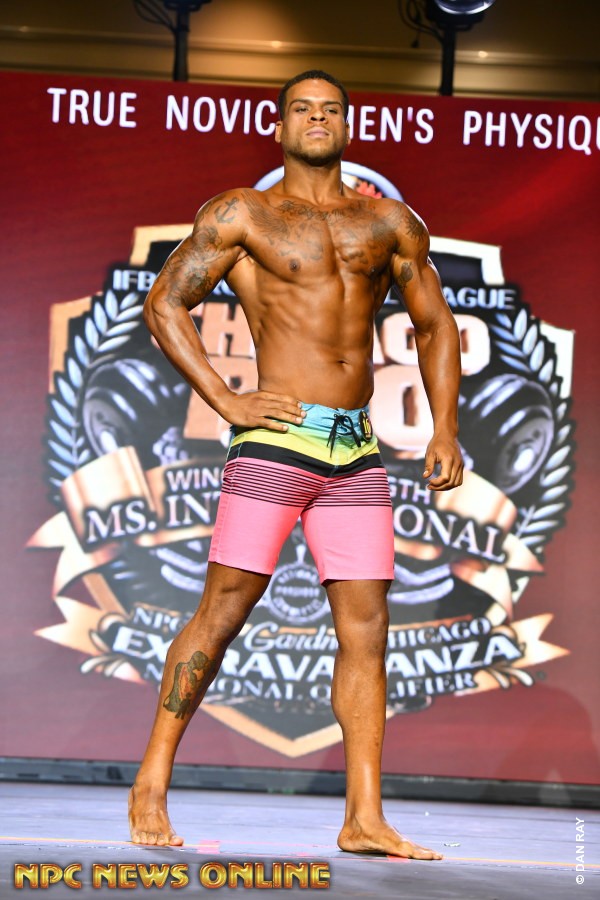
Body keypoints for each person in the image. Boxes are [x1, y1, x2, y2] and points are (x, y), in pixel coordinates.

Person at [128, 69, 463, 859]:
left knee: (368, 629)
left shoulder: (388, 222)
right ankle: (150, 782)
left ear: (348, 124)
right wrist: (225, 397)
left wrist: (444, 428)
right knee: (223, 610)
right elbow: (165, 301)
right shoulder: (244, 213)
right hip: (278, 441)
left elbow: (435, 324)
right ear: (280, 126)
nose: (317, 118)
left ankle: (364, 817)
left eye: (331, 109)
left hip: (356, 449)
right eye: (303, 109)